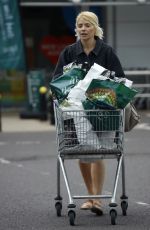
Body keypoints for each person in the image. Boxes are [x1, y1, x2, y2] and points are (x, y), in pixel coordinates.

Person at [52, 11, 125, 215]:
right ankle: (91, 196)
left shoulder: (107, 52)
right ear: (76, 29)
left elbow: (120, 79)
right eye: (80, 25)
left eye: (87, 25)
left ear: (95, 28)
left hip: (102, 111)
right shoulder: (68, 53)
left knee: (99, 151)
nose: (83, 29)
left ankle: (97, 199)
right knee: (82, 152)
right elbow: (57, 80)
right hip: (75, 112)